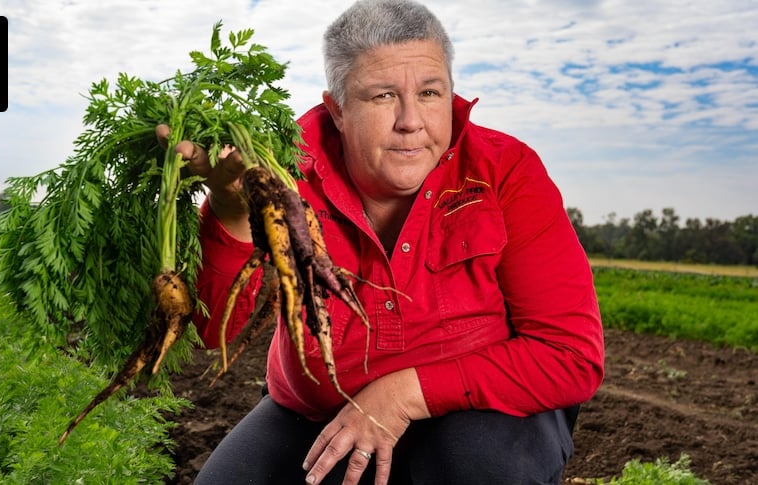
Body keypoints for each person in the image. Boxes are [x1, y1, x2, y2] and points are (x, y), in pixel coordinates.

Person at [159, 1, 604, 483]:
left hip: (486, 409)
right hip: (318, 410)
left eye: (431, 93)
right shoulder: (279, 170)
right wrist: (230, 211)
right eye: (383, 96)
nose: (411, 120)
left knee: (475, 470)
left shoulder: (504, 171)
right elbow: (213, 333)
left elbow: (569, 355)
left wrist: (402, 395)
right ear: (338, 110)